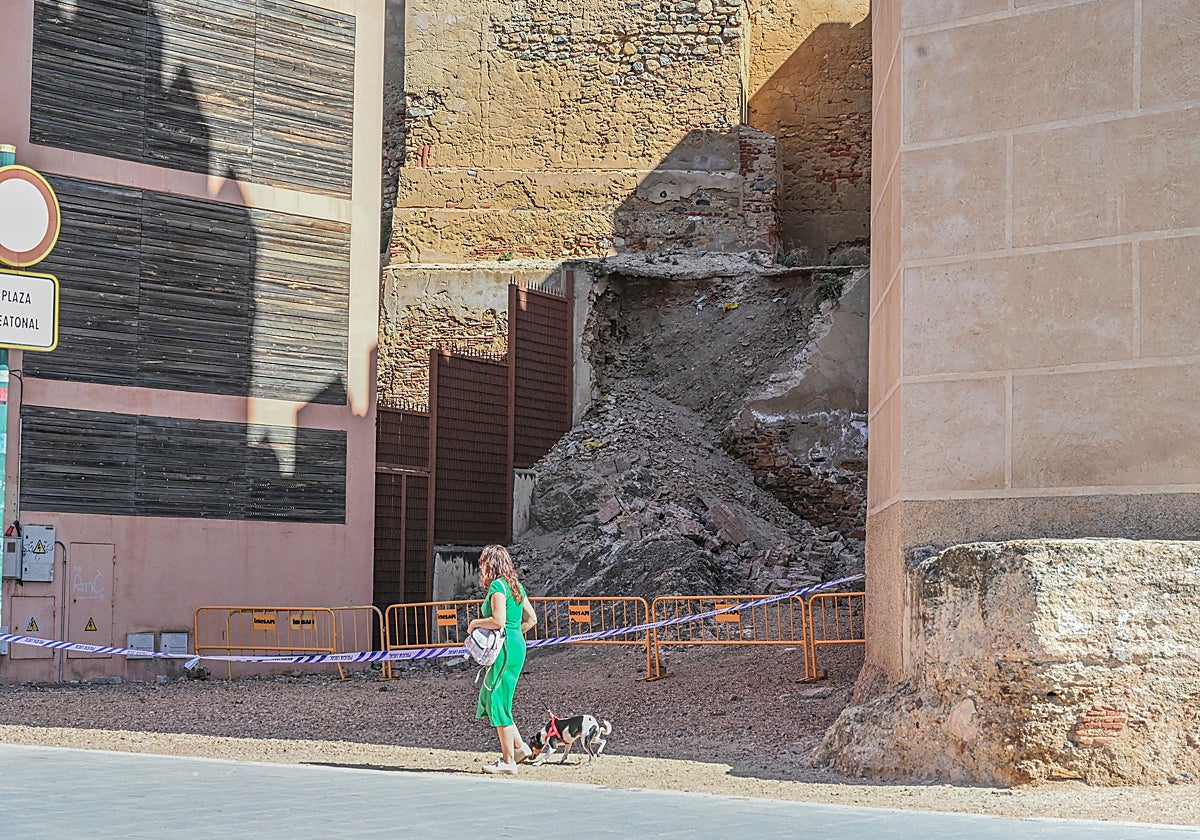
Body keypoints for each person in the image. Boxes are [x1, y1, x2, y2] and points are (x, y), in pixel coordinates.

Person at [467, 544, 537, 775]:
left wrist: (475, 624)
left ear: (490, 564)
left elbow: (497, 621)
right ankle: (519, 748)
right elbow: (532, 619)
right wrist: (515, 634)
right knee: (493, 696)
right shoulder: (516, 587)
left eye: (483, 563)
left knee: (497, 698)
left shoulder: (498, 586)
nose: (481, 568)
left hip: (505, 649)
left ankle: (508, 761)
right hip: (515, 645)